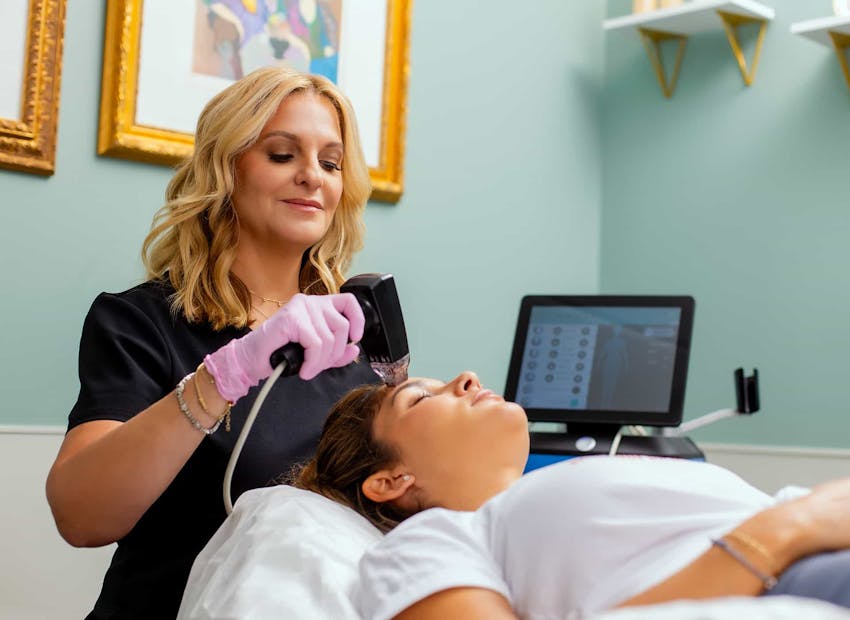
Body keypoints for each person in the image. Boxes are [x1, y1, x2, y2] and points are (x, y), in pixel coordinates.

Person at [46, 67, 382, 619]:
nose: (312, 177)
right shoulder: (140, 323)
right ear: (225, 170)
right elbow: (81, 517)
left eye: (330, 162)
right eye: (281, 155)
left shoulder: (352, 333)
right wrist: (224, 375)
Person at [291, 371, 850, 619]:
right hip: (801, 575)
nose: (464, 377)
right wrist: (784, 532)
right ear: (390, 481)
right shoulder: (430, 542)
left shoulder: (560, 481)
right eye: (421, 397)